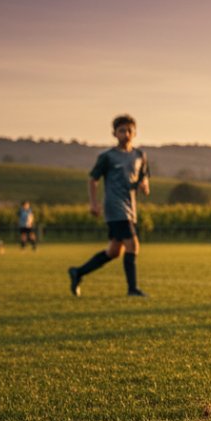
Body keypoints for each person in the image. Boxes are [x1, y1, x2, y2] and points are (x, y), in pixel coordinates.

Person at [68, 114, 151, 297]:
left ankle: (78, 272)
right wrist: (94, 203)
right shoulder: (108, 157)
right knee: (133, 245)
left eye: (129, 130)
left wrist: (145, 184)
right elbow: (93, 179)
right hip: (115, 207)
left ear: (135, 133)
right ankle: (132, 289)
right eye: (122, 130)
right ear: (114, 133)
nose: (126, 134)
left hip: (131, 208)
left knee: (114, 251)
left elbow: (143, 175)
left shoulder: (140, 155)